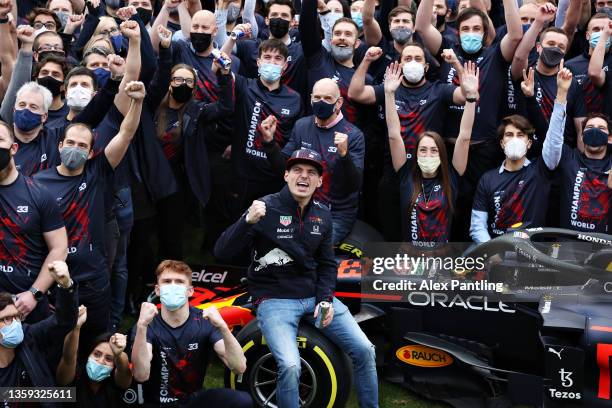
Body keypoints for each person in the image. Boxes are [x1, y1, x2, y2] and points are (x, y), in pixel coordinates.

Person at [215, 148, 379, 408]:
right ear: (286, 175)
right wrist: (246, 221)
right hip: (274, 300)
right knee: (290, 366)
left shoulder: (322, 215)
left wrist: (325, 299)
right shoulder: (264, 207)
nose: (304, 177)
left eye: (311, 172)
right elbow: (221, 251)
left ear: (319, 181)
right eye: (298, 171)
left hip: (314, 296)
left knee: (365, 350)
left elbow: (327, 265)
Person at [33, 81, 145, 348]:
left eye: (82, 145)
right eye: (70, 142)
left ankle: (89, 388)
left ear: (91, 151)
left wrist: (138, 101)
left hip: (93, 279)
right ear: (59, 146)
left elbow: (126, 133)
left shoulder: (98, 171)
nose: (75, 148)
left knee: (94, 340)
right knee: (55, 342)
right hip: (53, 278)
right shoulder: (38, 182)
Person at [470, 65, 571, 242]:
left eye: (520, 135)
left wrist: (561, 93)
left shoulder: (541, 170)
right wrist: (493, 252)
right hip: (496, 253)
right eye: (509, 135)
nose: (515, 139)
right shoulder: (488, 179)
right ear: (501, 143)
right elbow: (477, 226)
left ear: (529, 143)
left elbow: (554, 139)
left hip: (533, 255)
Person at [130, 260, 251, 407]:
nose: (173, 286)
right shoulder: (147, 322)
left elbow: (239, 367)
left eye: (179, 282)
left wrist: (223, 327)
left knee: (242, 400)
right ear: (157, 290)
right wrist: (142, 326)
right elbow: (140, 375)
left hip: (193, 401)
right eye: (167, 281)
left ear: (190, 291)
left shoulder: (204, 320)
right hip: (156, 403)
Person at [262, 78, 365, 244]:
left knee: (310, 248)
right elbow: (283, 169)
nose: (321, 102)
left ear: (338, 103)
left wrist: (344, 155)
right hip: (299, 207)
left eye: (327, 98)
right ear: (310, 99)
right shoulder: (302, 126)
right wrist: (269, 142)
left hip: (335, 213)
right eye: (317, 98)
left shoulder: (353, 135)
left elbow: (355, 185)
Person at [386, 61, 477, 245]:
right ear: (416, 154)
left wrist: (471, 98)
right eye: (423, 150)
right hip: (408, 260)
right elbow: (394, 135)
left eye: (434, 150)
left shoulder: (451, 175)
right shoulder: (406, 175)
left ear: (442, 155)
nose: (428, 155)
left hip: (441, 261)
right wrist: (389, 94)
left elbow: (464, 136)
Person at [0, 121, 68, 322]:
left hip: (27, 304)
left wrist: (35, 293)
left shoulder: (39, 194)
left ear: (13, 148)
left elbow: (59, 248)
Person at [228, 39, 302, 219]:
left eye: (277, 59)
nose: (272, 62)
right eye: (267, 57)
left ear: (285, 65)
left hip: (272, 179)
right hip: (241, 176)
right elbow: (220, 67)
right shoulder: (244, 86)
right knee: (235, 226)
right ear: (258, 62)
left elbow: (293, 141)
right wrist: (231, 40)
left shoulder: (295, 99)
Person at [0, 260, 78, 388]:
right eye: (7, 318)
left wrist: (66, 286)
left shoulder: (29, 337)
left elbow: (64, 321)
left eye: (17, 317)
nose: (15, 324)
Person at [221, 0, 307, 98]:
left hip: (291, 107)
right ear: (266, 20)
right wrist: (233, 37)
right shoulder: (251, 46)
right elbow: (220, 56)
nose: (279, 19)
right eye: (274, 15)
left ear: (292, 22)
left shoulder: (301, 51)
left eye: (284, 15)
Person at [57, 306, 132, 407]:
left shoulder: (116, 385)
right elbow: (68, 358)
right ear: (89, 354)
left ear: (114, 365)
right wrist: (76, 327)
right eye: (97, 354)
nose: (101, 361)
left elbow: (124, 371)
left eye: (108, 359)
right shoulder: (73, 381)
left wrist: (119, 353)